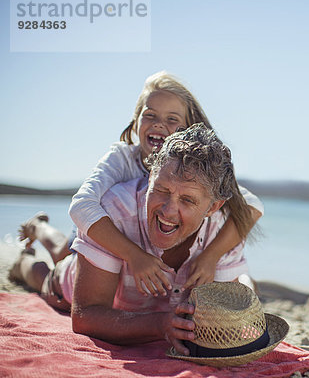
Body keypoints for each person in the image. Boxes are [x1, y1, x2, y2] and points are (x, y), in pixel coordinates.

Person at [10, 123, 249, 356]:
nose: (168, 210)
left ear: (213, 207)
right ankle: (26, 256)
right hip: (67, 287)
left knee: (64, 250)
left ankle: (39, 226)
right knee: (45, 275)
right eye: (162, 190)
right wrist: (159, 325)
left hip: (104, 272)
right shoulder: (116, 210)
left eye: (187, 200)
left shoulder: (222, 233)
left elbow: (224, 318)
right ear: (152, 175)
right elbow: (85, 316)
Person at [18, 71, 263, 297]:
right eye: (150, 115)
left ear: (187, 130)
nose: (159, 124)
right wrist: (134, 256)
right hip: (100, 225)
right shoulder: (122, 159)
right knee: (64, 255)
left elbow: (250, 204)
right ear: (136, 120)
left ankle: (39, 227)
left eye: (172, 119)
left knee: (64, 255)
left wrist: (211, 256)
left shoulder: (193, 173)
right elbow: (81, 206)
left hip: (130, 237)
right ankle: (29, 249)